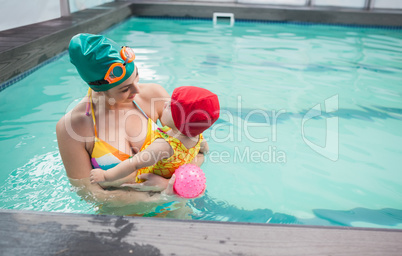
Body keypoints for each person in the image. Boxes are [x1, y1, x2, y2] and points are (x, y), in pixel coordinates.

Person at [56, 33, 205, 215]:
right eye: (125, 89)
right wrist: (161, 197)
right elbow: (87, 191)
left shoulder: (152, 95)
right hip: (121, 218)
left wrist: (169, 187)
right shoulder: (73, 127)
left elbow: (195, 150)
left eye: (136, 77)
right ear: (99, 90)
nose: (137, 89)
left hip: (173, 209)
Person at [89, 86, 220, 188]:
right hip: (169, 177)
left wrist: (106, 176)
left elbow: (134, 164)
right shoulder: (198, 138)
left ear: (179, 123)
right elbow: (204, 150)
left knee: (112, 184)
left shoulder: (164, 146)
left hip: (145, 181)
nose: (165, 103)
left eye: (171, 107)